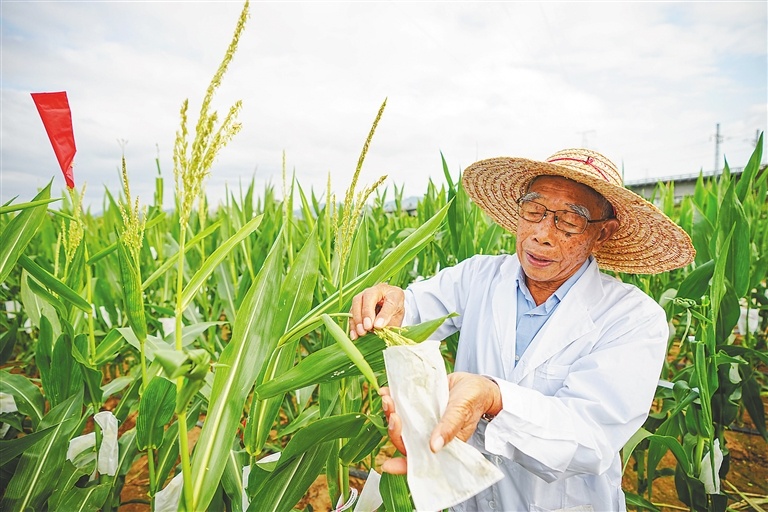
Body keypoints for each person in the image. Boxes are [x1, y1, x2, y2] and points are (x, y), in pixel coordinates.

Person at [349, 148, 695, 511]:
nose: (542, 234)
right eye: (534, 211)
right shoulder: (478, 276)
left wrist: (493, 397)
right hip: (467, 498)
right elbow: (414, 310)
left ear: (603, 233)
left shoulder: (632, 318)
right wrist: (389, 302)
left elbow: (591, 435)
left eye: (569, 221)